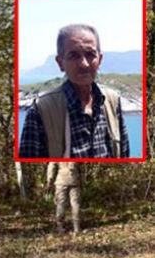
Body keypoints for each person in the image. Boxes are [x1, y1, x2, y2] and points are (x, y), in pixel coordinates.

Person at [19, 24, 129, 158]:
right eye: (73, 55)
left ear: (100, 60)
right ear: (60, 63)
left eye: (90, 54)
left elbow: (124, 155)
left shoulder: (112, 101)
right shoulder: (41, 111)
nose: (84, 64)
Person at [46, 162, 83, 235]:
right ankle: (77, 227)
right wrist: (82, 181)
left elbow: (51, 167)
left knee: (60, 204)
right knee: (75, 204)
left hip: (61, 181)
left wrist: (49, 181)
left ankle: (60, 227)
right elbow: (82, 168)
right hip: (74, 180)